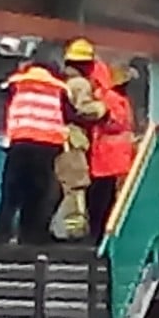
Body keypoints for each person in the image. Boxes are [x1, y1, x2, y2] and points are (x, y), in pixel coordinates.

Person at [0, 62, 68, 245]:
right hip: (47, 145)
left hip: (21, 141)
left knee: (11, 192)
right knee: (37, 192)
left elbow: (1, 90)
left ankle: (2, 235)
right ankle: (30, 236)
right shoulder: (56, 90)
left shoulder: (18, 86)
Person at [56, 38, 107, 241]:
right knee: (76, 184)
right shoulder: (80, 84)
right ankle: (75, 229)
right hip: (73, 138)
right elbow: (84, 109)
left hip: (57, 137)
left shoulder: (61, 81)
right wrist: (102, 108)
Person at [87, 63, 137, 244]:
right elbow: (114, 123)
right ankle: (99, 236)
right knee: (102, 199)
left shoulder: (113, 98)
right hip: (106, 159)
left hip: (113, 159)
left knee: (107, 199)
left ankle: (102, 235)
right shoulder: (110, 98)